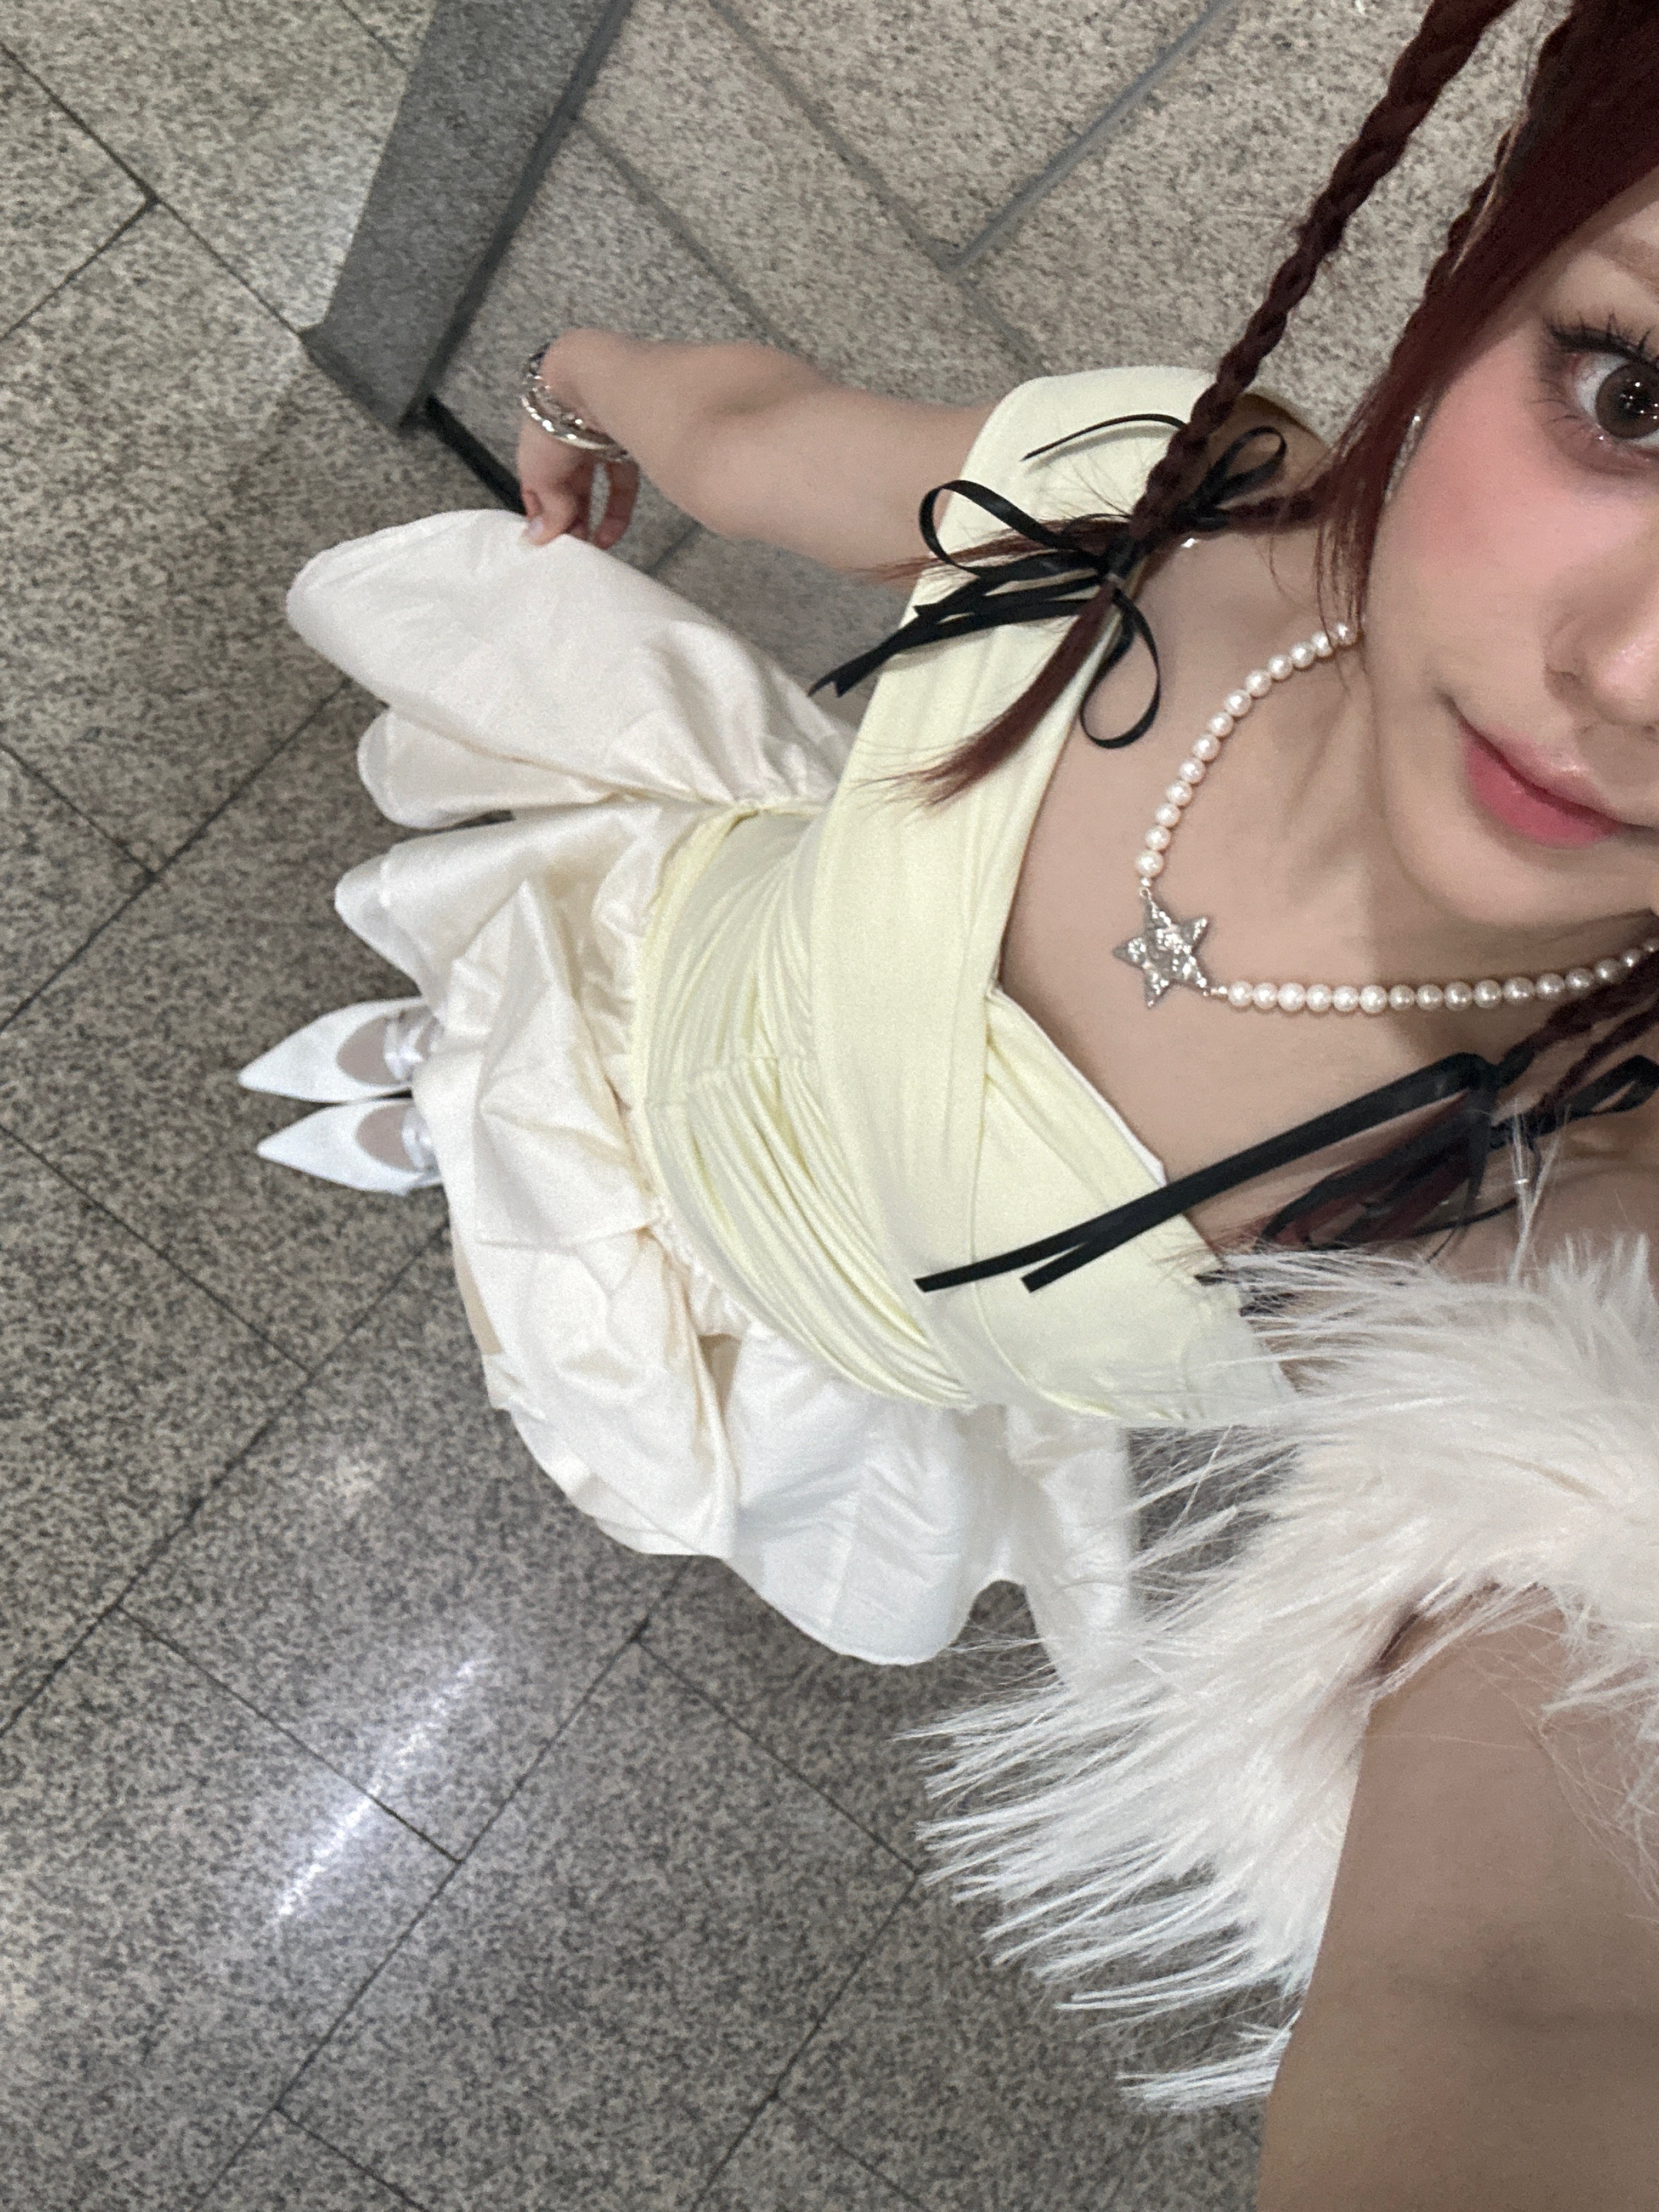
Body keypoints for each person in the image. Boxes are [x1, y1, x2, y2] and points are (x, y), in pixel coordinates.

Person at [240, 0, 1659, 2197]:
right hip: (675, 970)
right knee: (515, 1072)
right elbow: (762, 431)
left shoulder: (1581, 1186)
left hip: (838, 1351)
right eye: (1637, 396)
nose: (1631, 675)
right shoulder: (1158, 498)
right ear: (1494, 264)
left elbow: (1513, 1981)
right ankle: (469, 1101)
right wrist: (581, 383)